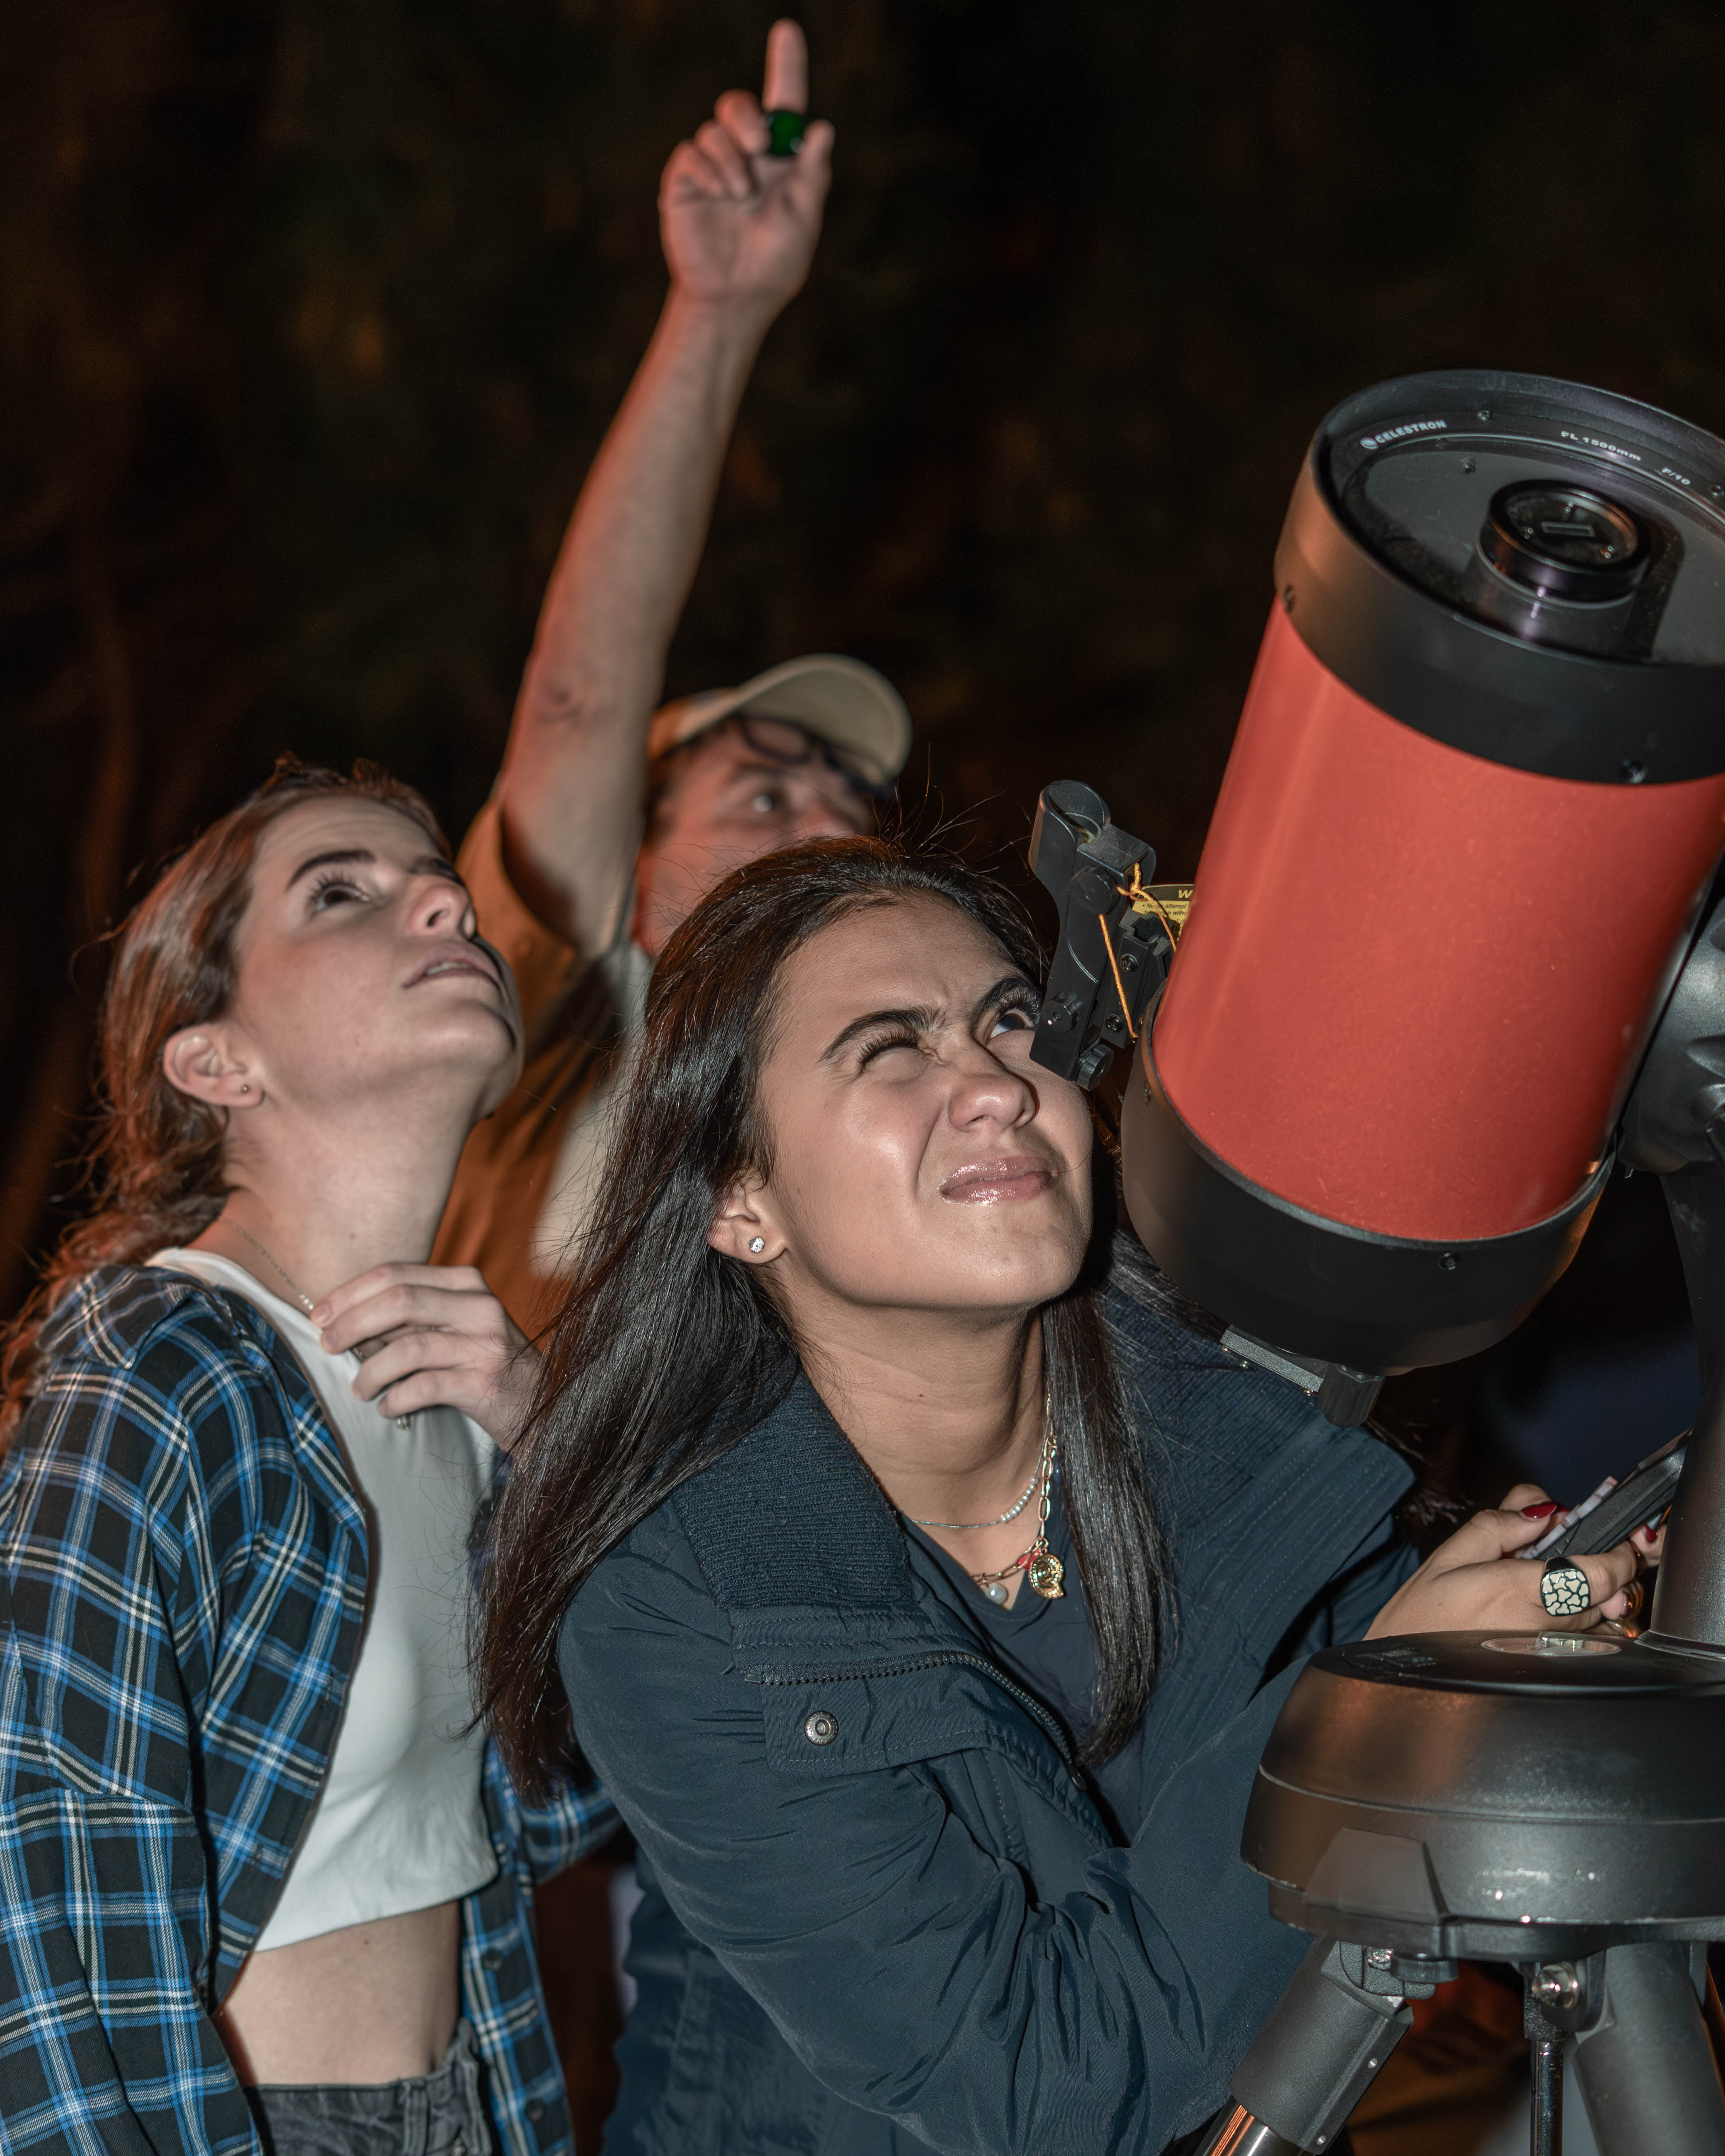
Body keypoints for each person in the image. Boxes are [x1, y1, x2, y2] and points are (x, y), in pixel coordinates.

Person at [477, 836, 1658, 2156]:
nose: (995, 1085)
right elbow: (1035, 2081)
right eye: (890, 1049)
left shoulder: (1226, 1427)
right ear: (740, 1198)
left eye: (1009, 1022)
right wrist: (1374, 1714)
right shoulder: (675, 1593)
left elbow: (1426, 1715)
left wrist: (1550, 1606)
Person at [0, 760, 614, 2156]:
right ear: (217, 1062)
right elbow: (40, 1852)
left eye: (443, 888)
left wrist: (553, 1443)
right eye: (341, 893)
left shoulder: (466, 1377)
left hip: (483, 2092)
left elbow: (574, 1799)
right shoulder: (163, 1368)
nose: (445, 904)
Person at [432, 19, 912, 1328]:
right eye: (762, 795)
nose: (824, 828)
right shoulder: (566, 1016)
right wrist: (720, 311)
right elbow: (579, 701)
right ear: (633, 872)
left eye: (851, 810)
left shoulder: (887, 1126)